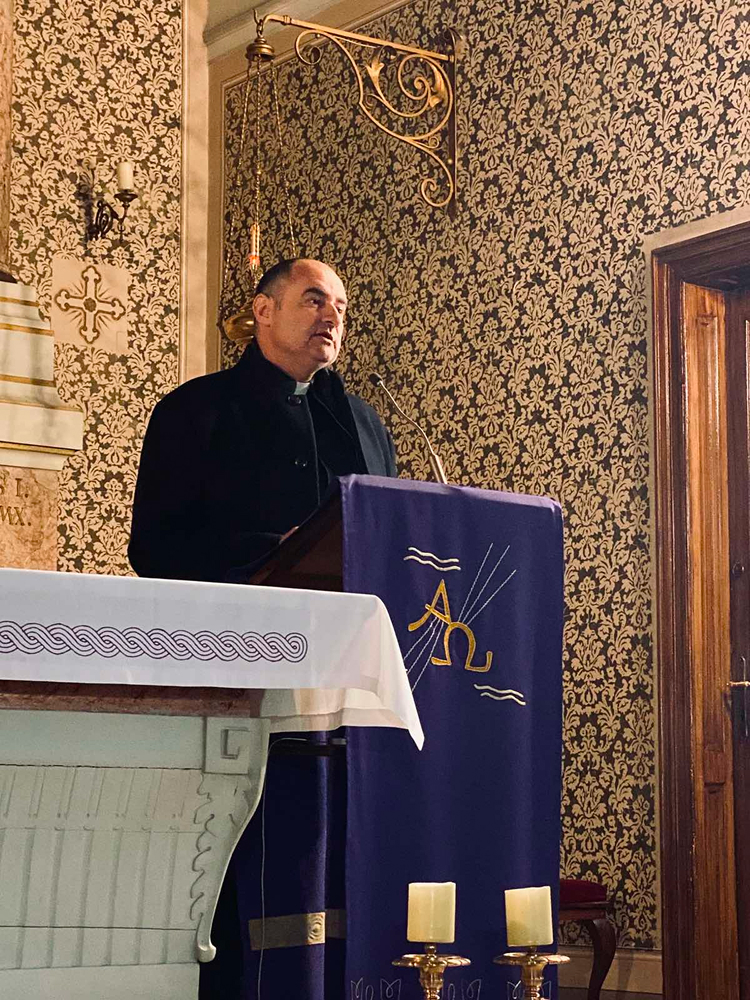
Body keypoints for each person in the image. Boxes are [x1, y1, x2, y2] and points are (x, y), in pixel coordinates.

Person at [128, 257, 396, 582]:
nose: (332, 318)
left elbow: (388, 532)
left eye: (341, 308)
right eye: (314, 301)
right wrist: (272, 551)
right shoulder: (193, 408)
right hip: (241, 610)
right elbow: (154, 548)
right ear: (264, 311)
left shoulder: (366, 423)